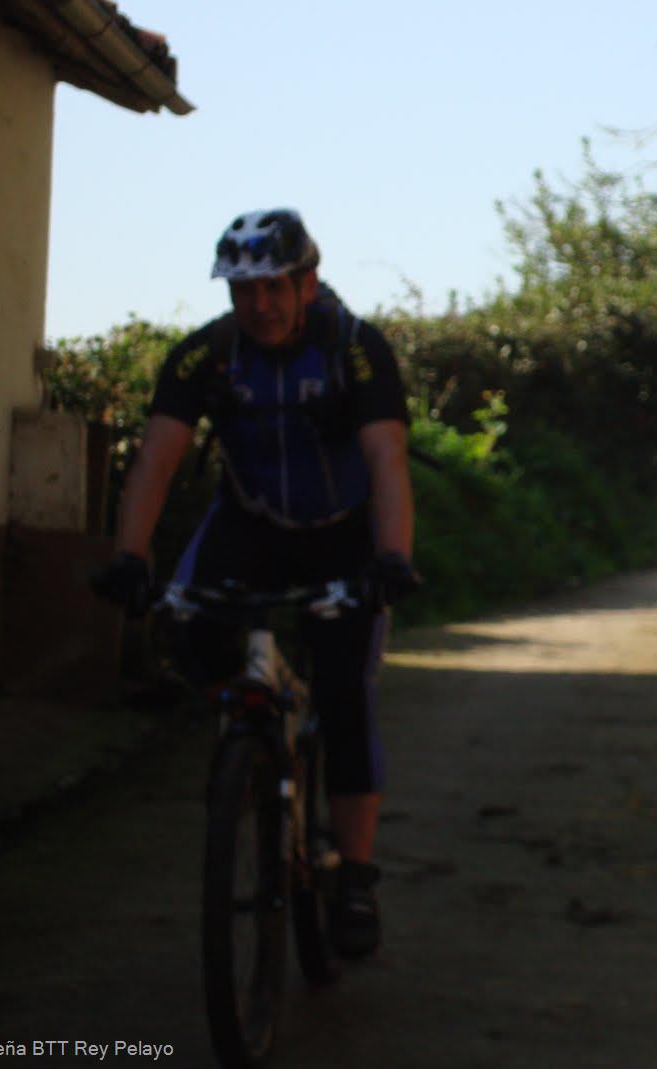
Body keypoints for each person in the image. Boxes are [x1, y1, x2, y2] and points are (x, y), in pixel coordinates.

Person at [91, 209, 420, 960]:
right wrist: (130, 556)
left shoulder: (354, 348)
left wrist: (393, 557)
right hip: (252, 523)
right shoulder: (206, 356)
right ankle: (253, 739)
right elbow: (157, 459)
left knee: (345, 696)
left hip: (343, 530)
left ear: (307, 282)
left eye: (275, 287)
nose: (260, 305)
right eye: (244, 291)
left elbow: (386, 459)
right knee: (182, 625)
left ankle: (356, 876)